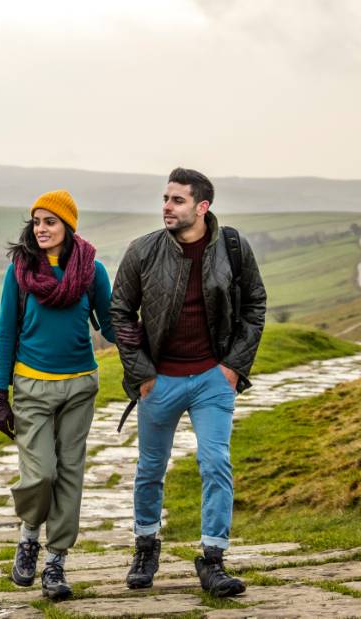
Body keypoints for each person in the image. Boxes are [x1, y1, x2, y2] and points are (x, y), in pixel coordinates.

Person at [110, 167, 266, 597]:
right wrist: (142, 374)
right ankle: (146, 548)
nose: (166, 207)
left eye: (177, 200)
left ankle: (213, 561)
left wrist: (233, 367)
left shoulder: (232, 247)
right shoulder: (143, 251)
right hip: (159, 381)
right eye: (165, 198)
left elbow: (255, 305)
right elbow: (120, 312)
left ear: (202, 207)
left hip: (213, 379)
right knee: (149, 470)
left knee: (216, 463)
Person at [0, 190, 116, 601]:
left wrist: (146, 354)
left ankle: (56, 562)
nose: (41, 229)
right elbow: (6, 331)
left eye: (50, 222)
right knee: (41, 472)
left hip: (80, 385)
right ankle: (29, 535)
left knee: (69, 474)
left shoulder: (92, 271)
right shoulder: (20, 272)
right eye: (37, 222)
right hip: (31, 387)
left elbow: (111, 326)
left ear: (68, 226)